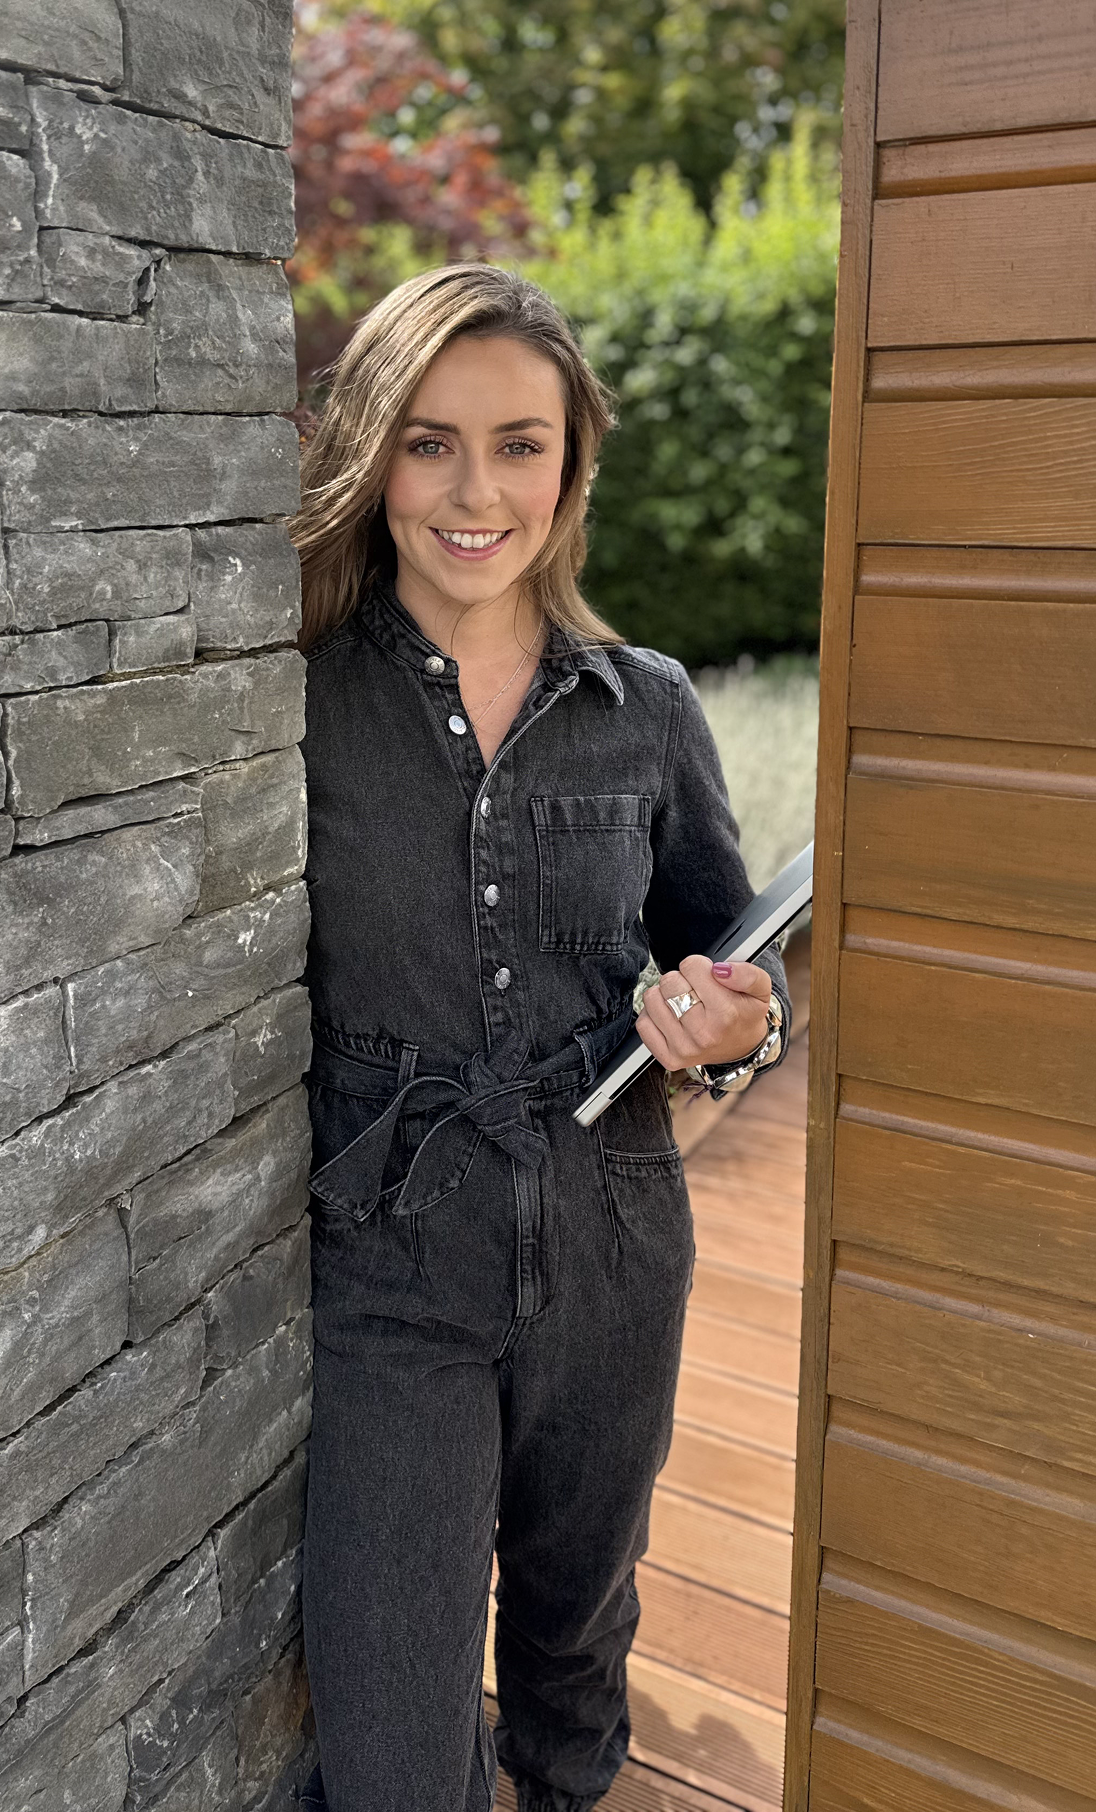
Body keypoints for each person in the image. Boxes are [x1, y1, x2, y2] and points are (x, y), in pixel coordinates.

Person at [291, 264, 789, 1812]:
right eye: (428, 442)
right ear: (373, 453)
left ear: (570, 468)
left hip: (615, 1232)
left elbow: (727, 960)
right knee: (391, 1729)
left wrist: (729, 1026)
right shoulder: (289, 699)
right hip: (390, 1254)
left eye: (519, 444)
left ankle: (570, 1787)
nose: (474, 492)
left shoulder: (646, 707)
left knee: (575, 1624)